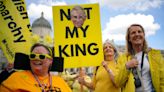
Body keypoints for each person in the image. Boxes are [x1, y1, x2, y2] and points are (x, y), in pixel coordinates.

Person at [0, 43, 72, 92]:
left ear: (50, 60)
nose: (36, 59)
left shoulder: (60, 81)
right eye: (33, 56)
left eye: (41, 56)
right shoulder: (16, 78)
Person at [115, 24, 164, 92]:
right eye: (133, 33)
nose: (137, 34)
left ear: (143, 35)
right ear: (129, 38)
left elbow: (162, 79)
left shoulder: (154, 55)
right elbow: (118, 82)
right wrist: (127, 66)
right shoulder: (123, 58)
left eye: (139, 31)